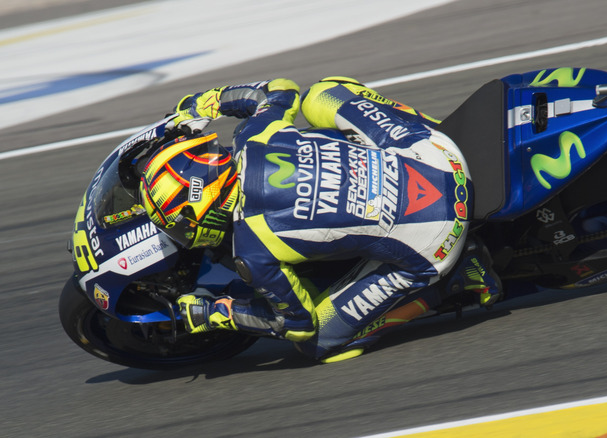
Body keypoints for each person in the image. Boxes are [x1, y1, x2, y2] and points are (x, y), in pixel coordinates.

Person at [138, 76, 501, 362]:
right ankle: (447, 132)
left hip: (437, 237)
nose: (179, 233)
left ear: (206, 208)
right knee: (323, 92)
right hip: (438, 154)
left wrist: (218, 312)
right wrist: (208, 102)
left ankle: (457, 278)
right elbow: (280, 89)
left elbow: (297, 324)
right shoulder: (254, 134)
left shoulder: (252, 252)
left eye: (179, 225)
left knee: (320, 343)